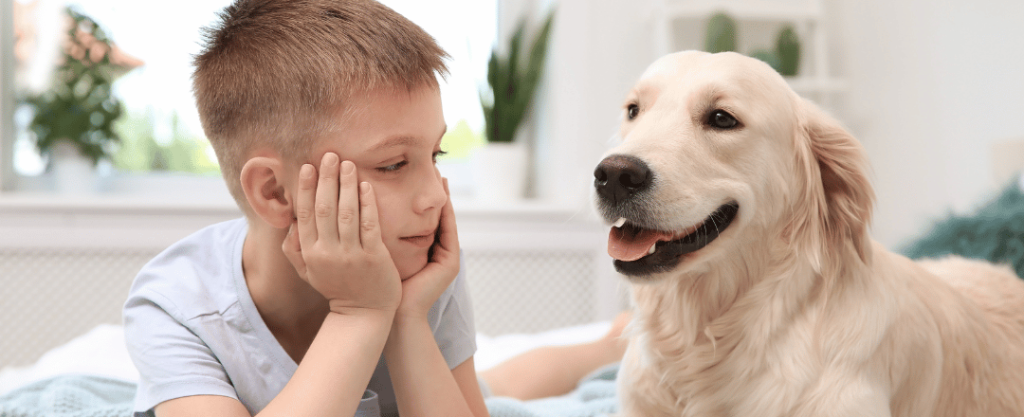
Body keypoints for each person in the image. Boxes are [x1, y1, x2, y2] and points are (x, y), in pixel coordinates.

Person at [122, 1, 487, 416]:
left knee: (510, 387)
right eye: (394, 164)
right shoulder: (178, 303)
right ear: (275, 192)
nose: (435, 197)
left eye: (436, 154)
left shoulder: (414, 262)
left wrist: (407, 318)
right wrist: (360, 313)